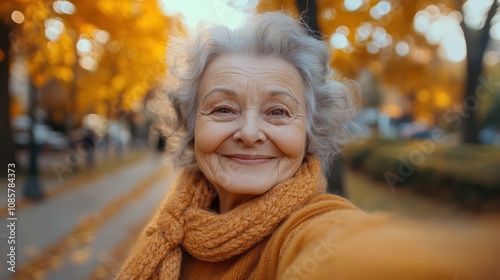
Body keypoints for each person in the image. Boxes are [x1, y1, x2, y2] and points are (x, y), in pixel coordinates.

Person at [116, 12, 499, 279]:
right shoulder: (177, 221)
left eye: (278, 112)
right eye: (224, 108)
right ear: (191, 125)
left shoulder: (308, 229)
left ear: (311, 131)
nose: (250, 132)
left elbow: (350, 252)